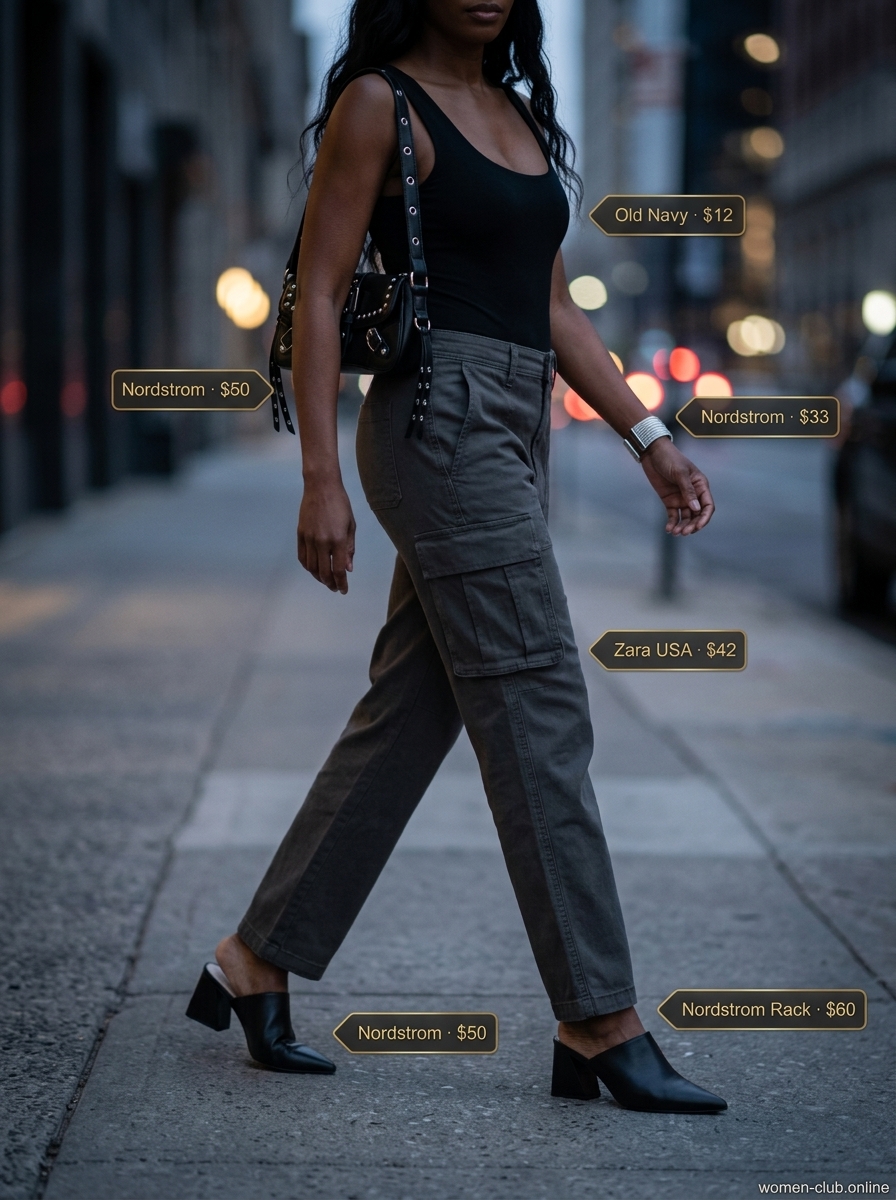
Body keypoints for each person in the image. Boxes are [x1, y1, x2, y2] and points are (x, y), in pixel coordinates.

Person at [187, 0, 726, 1113]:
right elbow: (321, 290)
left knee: (413, 709)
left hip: (515, 421)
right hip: (434, 419)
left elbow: (550, 305)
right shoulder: (379, 103)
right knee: (537, 700)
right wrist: (321, 478)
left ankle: (254, 959)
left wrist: (648, 435)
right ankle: (597, 1020)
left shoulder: (522, 114)